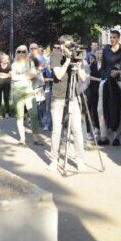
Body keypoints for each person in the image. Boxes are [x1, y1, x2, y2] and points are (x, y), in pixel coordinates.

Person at [48, 36, 90, 171]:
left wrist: (79, 66)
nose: (69, 49)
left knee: (77, 129)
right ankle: (54, 160)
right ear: (60, 46)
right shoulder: (55, 54)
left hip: (73, 95)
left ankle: (80, 160)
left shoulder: (76, 55)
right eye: (66, 46)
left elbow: (83, 78)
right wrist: (66, 62)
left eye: (70, 46)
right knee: (57, 130)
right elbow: (59, 75)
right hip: (58, 97)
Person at [10, 45, 44, 145]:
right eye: (19, 51)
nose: (21, 53)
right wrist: (26, 76)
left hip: (29, 91)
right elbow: (13, 77)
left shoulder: (30, 62)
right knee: (20, 116)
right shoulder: (14, 64)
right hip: (18, 91)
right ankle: (22, 139)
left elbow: (33, 74)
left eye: (23, 51)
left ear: (26, 52)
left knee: (33, 114)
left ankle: (36, 138)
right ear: (16, 52)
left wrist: (20, 76)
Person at [101, 30, 121, 146]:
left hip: (120, 82)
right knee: (104, 107)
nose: (112, 39)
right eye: (110, 37)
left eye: (114, 37)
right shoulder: (106, 50)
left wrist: (119, 72)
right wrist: (105, 77)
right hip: (107, 82)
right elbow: (103, 66)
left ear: (118, 38)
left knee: (119, 108)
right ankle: (104, 134)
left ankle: (116, 136)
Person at [0, 53, 12, 119]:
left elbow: (10, 75)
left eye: (6, 59)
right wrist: (5, 75)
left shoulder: (9, 66)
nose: (4, 60)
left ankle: (7, 113)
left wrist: (3, 74)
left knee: (6, 98)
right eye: (3, 58)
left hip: (7, 84)